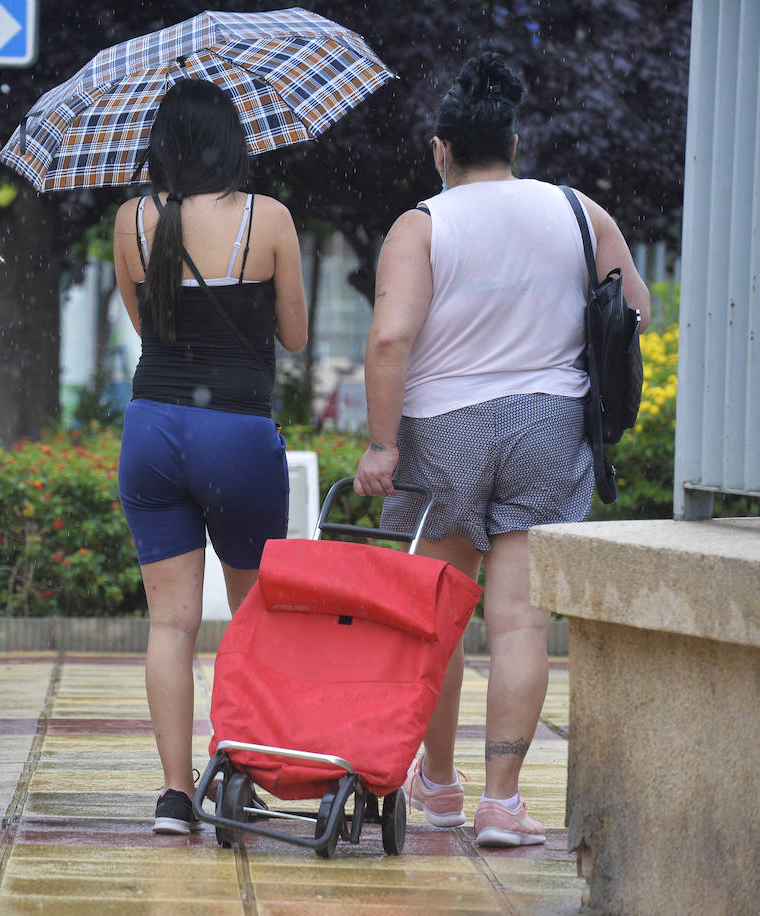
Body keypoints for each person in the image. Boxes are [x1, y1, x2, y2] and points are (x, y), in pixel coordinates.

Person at [354, 53, 650, 847]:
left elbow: (389, 338)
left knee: (439, 618)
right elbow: (636, 312)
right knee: (518, 623)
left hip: (444, 428)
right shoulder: (577, 211)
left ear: (441, 149)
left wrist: (383, 447)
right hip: (550, 424)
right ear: (513, 145)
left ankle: (441, 788)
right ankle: (504, 805)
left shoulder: (422, 223)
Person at [112, 79, 308, 834]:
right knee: (253, 617)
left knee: (172, 624)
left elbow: (146, 325)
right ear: (233, 141)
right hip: (235, 430)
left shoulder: (131, 220)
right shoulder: (270, 219)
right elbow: (293, 335)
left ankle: (171, 795)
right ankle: (241, 769)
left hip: (152, 428)